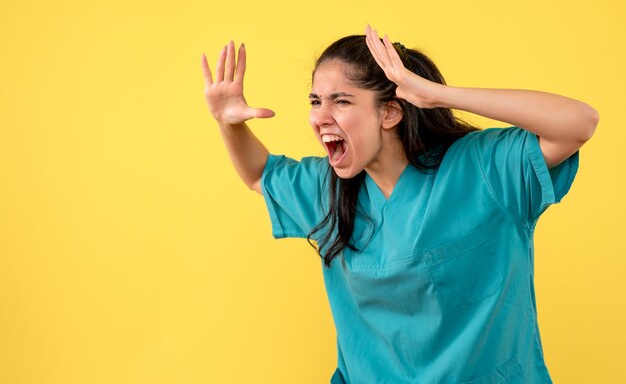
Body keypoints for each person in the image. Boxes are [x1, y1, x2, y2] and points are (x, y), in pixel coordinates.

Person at [201, 25, 599, 384]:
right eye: (315, 100)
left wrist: (439, 95)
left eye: (340, 101)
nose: (319, 117)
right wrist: (227, 121)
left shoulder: (483, 169)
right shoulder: (330, 189)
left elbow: (579, 122)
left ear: (390, 112)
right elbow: (259, 175)